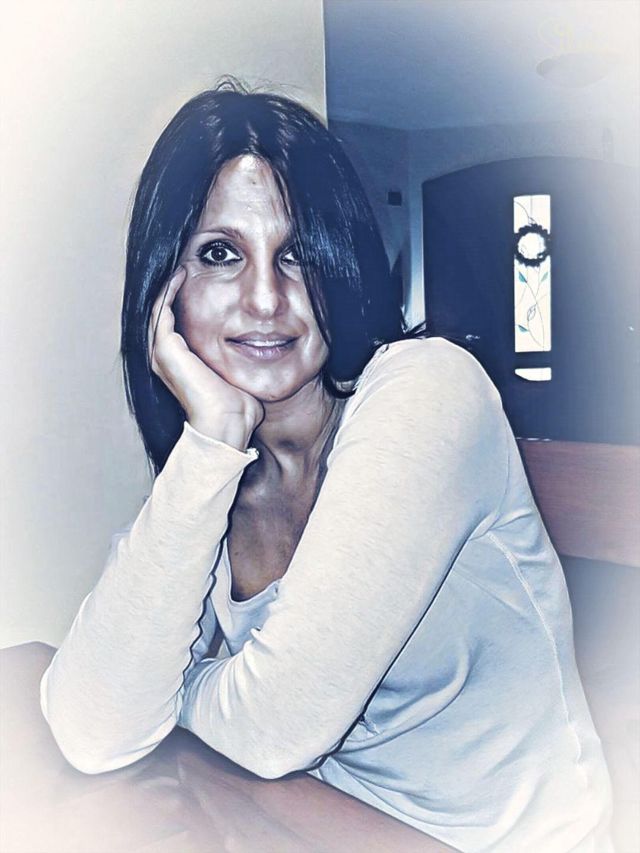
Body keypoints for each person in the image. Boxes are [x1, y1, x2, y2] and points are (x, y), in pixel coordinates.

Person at [40, 81, 612, 852]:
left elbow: (272, 728)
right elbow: (90, 727)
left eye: (297, 253)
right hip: (318, 825)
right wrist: (210, 442)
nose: (266, 298)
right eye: (220, 254)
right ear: (164, 294)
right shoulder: (216, 470)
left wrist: (168, 696)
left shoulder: (429, 392)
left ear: (340, 264)